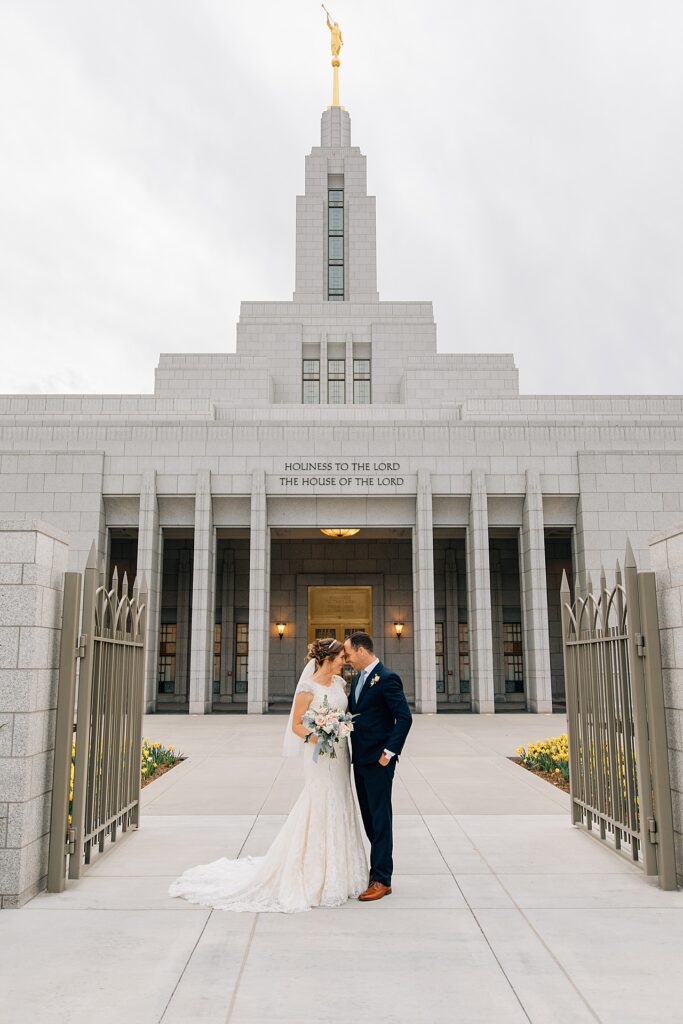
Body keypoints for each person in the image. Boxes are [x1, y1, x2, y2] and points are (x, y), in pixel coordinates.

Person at [168, 637, 367, 913]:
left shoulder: (340, 684)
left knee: (342, 799)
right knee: (320, 800)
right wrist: (317, 735)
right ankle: (314, 872)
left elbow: (344, 714)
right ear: (327, 659)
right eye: (340, 658)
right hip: (318, 755)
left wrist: (338, 728)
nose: (344, 662)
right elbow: (296, 725)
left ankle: (341, 872)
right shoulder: (307, 689)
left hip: (341, 753)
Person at [344, 631, 413, 901]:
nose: (347, 659)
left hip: (379, 761)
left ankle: (383, 879)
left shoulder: (386, 678)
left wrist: (389, 752)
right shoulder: (358, 679)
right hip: (360, 759)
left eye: (348, 654)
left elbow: (404, 718)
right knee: (369, 819)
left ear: (362, 651)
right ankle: (376, 872)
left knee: (381, 819)